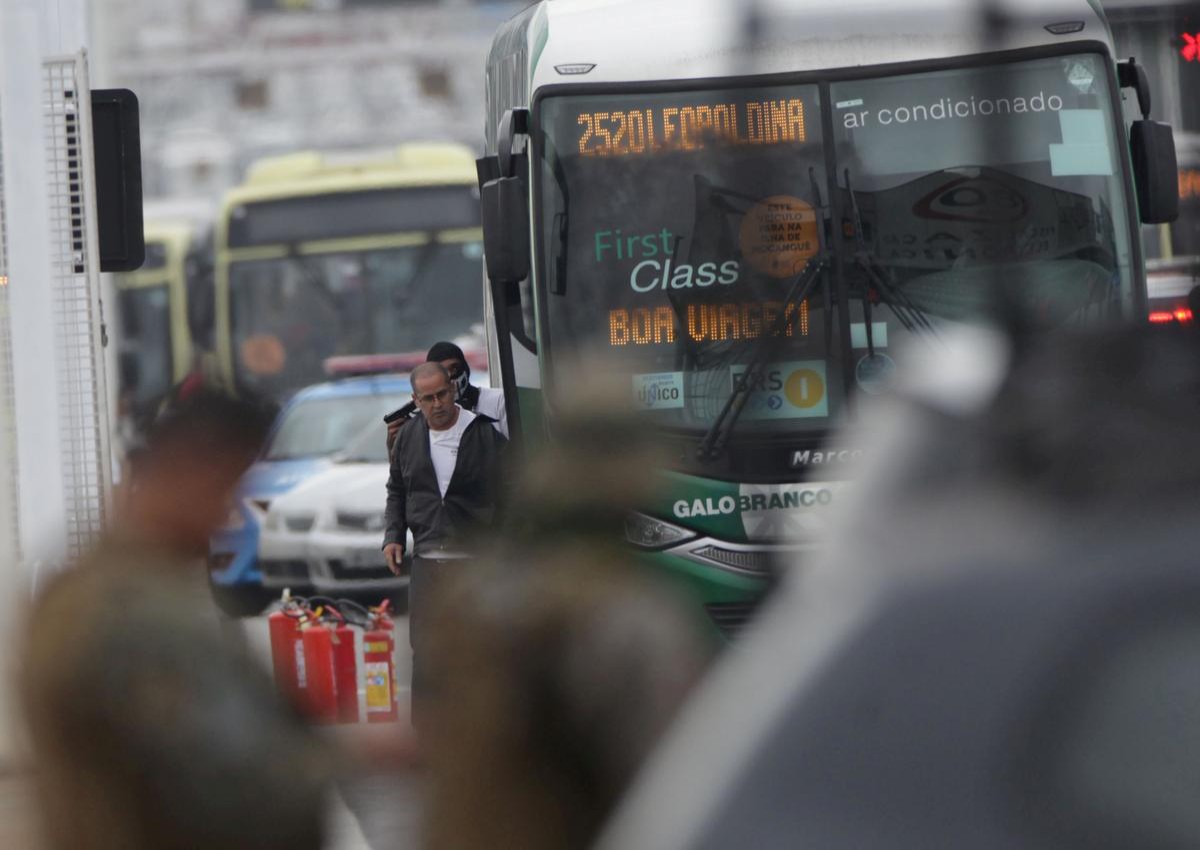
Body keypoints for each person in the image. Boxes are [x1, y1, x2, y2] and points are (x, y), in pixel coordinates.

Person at [19, 388, 332, 850]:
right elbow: (241, 782)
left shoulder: (80, 588)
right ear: (183, 471)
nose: (226, 517)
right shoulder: (133, 611)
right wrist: (344, 759)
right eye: (225, 489)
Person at [382, 361, 507, 703]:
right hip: (427, 561)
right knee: (425, 651)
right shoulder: (408, 436)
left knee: (480, 651)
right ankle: (427, 735)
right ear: (415, 400)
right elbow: (397, 489)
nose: (437, 405)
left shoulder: (483, 434)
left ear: (452, 390)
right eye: (427, 399)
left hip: (474, 561)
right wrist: (393, 536)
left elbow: (510, 493)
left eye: (441, 395)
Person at [386, 340, 507, 454]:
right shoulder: (426, 421)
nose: (450, 377)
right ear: (417, 400)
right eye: (442, 371)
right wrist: (398, 446)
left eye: (454, 368)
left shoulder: (498, 400)